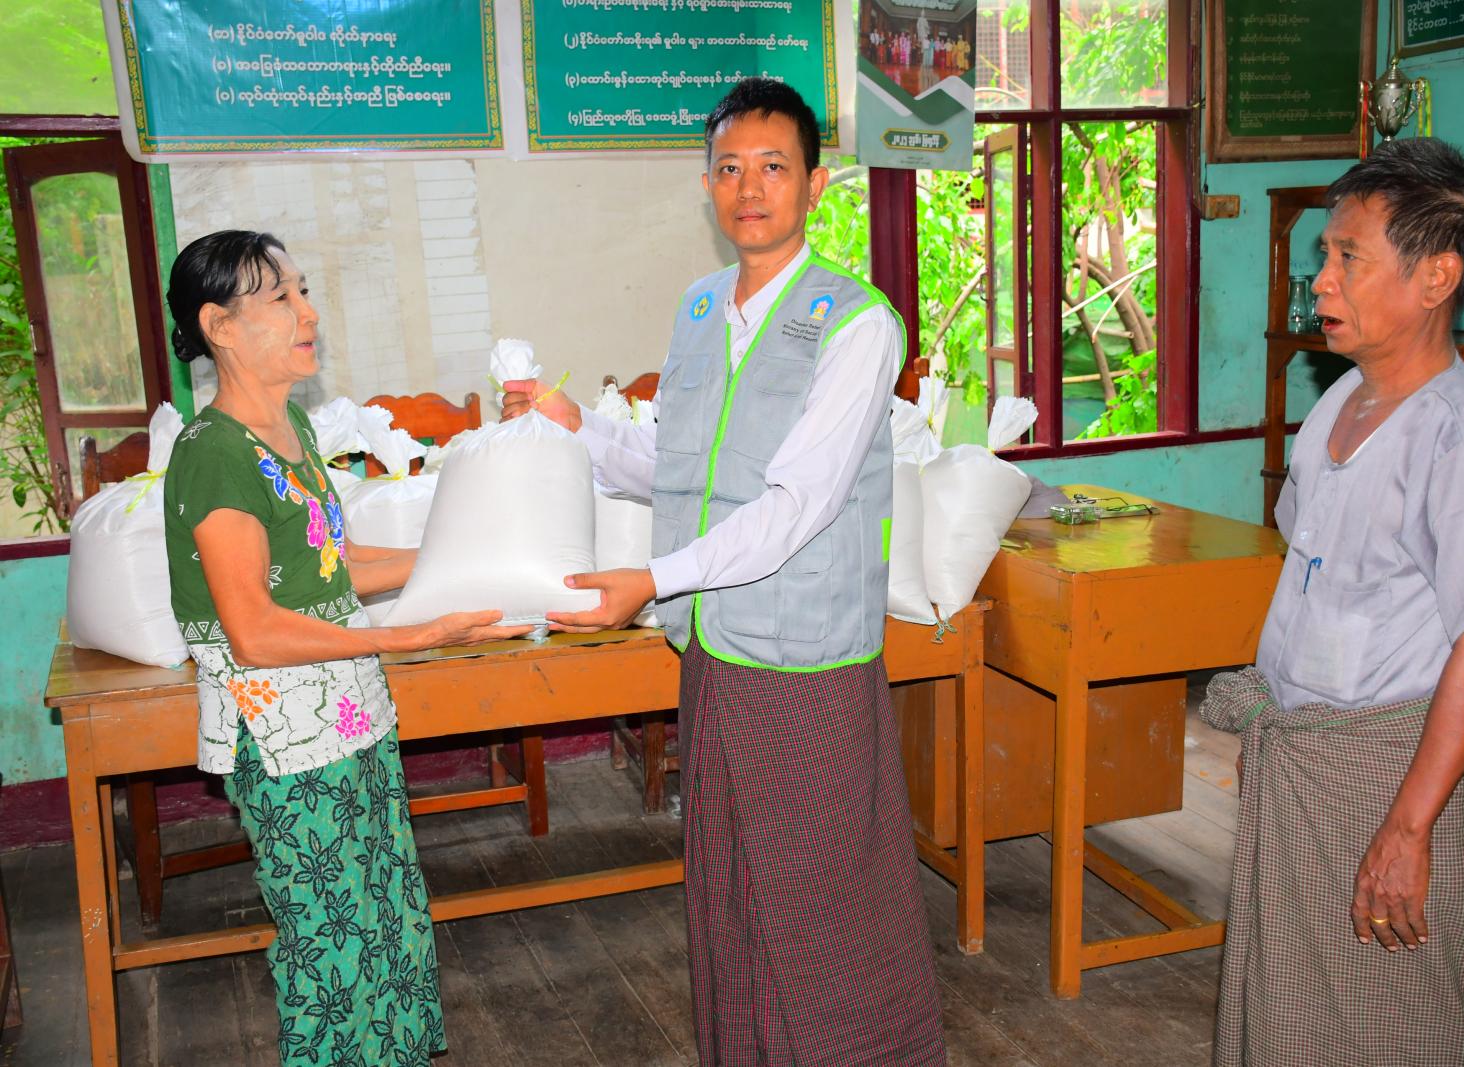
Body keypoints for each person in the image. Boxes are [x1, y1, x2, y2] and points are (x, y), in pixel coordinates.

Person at [501, 78, 946, 1065]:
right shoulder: (701, 307)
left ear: (815, 184)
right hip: (713, 648)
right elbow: (677, 465)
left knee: (827, 906)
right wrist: (575, 428)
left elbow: (797, 505)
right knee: (732, 888)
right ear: (707, 185)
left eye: (773, 166)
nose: (750, 188)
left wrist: (652, 577)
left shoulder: (857, 324)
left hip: (805, 662)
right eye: (730, 168)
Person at [1200, 139, 1464, 1065]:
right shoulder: (1339, 402)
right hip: (1310, 754)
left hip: (1389, 767)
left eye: (1349, 256)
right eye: (1325, 254)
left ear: (1436, 277)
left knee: (1396, 1014)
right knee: (1292, 1004)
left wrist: (1406, 828)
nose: (1322, 279)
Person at [163, 231, 529, 1065]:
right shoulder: (213, 454)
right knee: (333, 942)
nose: (309, 313)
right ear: (219, 325)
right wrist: (416, 633)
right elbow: (254, 630)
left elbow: (340, 562)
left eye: (303, 290)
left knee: (386, 916)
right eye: (282, 297)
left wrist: (468, 561)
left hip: (351, 714)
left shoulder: (287, 425)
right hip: (288, 739)